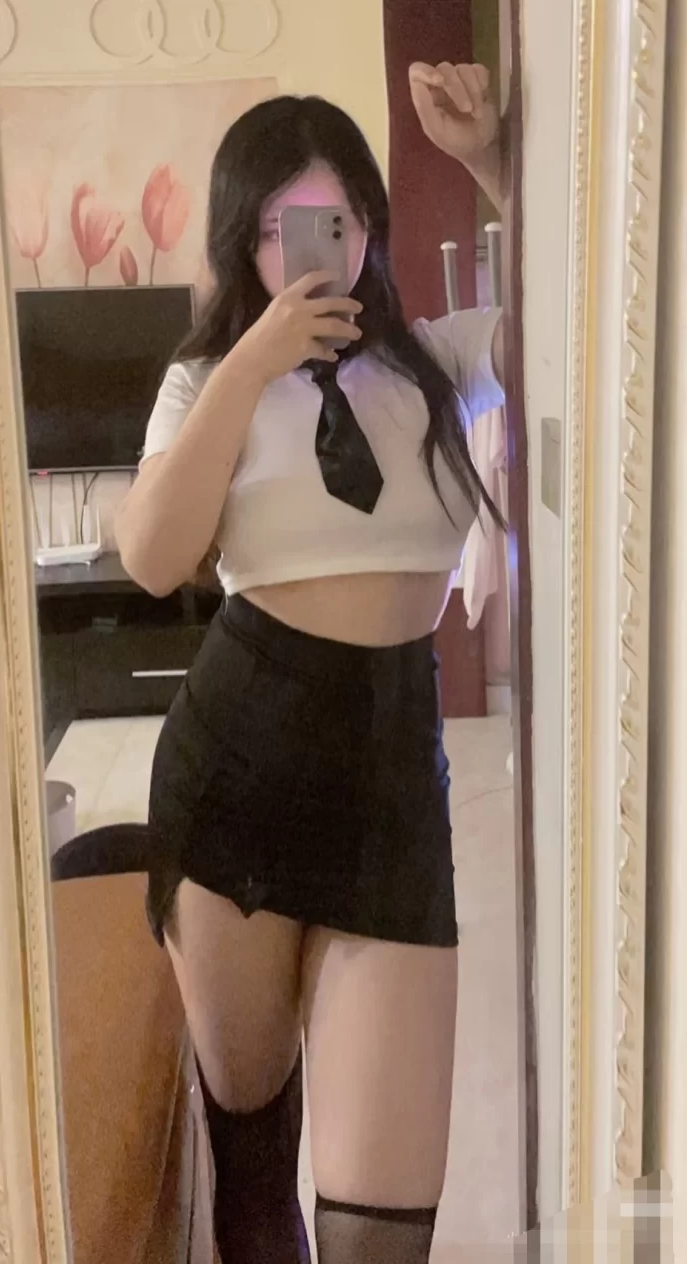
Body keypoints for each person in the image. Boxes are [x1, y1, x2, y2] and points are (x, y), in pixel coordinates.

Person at [116, 59, 506, 1264]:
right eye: (278, 228)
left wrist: (490, 164)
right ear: (242, 243)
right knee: (251, 1164)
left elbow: (590, 319)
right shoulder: (205, 383)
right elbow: (152, 557)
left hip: (392, 791)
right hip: (234, 778)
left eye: (333, 220)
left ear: (369, 229)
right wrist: (251, 362)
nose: (309, 252)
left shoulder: (439, 366)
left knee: (380, 1230)